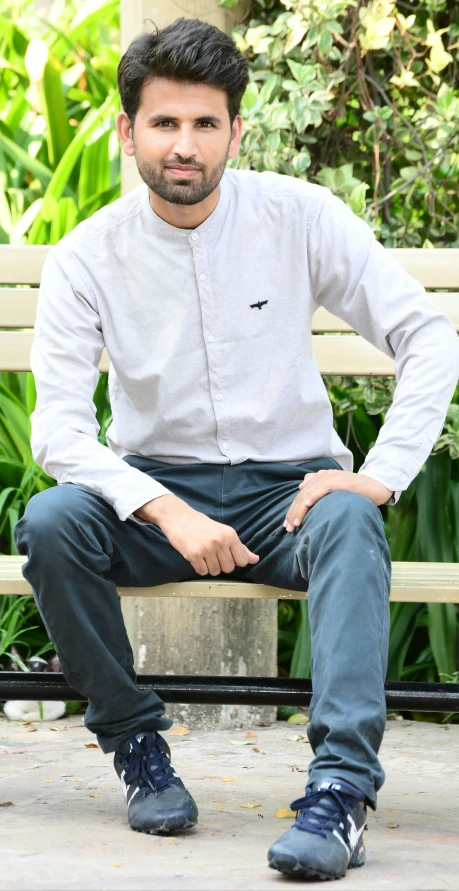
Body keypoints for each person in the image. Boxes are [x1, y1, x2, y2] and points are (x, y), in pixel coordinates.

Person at [13, 16, 458, 882]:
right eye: (165, 123)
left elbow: (426, 335)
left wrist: (378, 475)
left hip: (284, 495)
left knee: (347, 522)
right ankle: (137, 744)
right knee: (55, 519)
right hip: (151, 498)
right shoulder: (86, 257)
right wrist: (165, 507)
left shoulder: (298, 217)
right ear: (128, 130)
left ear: (235, 131)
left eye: (205, 124)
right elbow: (59, 431)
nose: (185, 145)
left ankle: (338, 794)